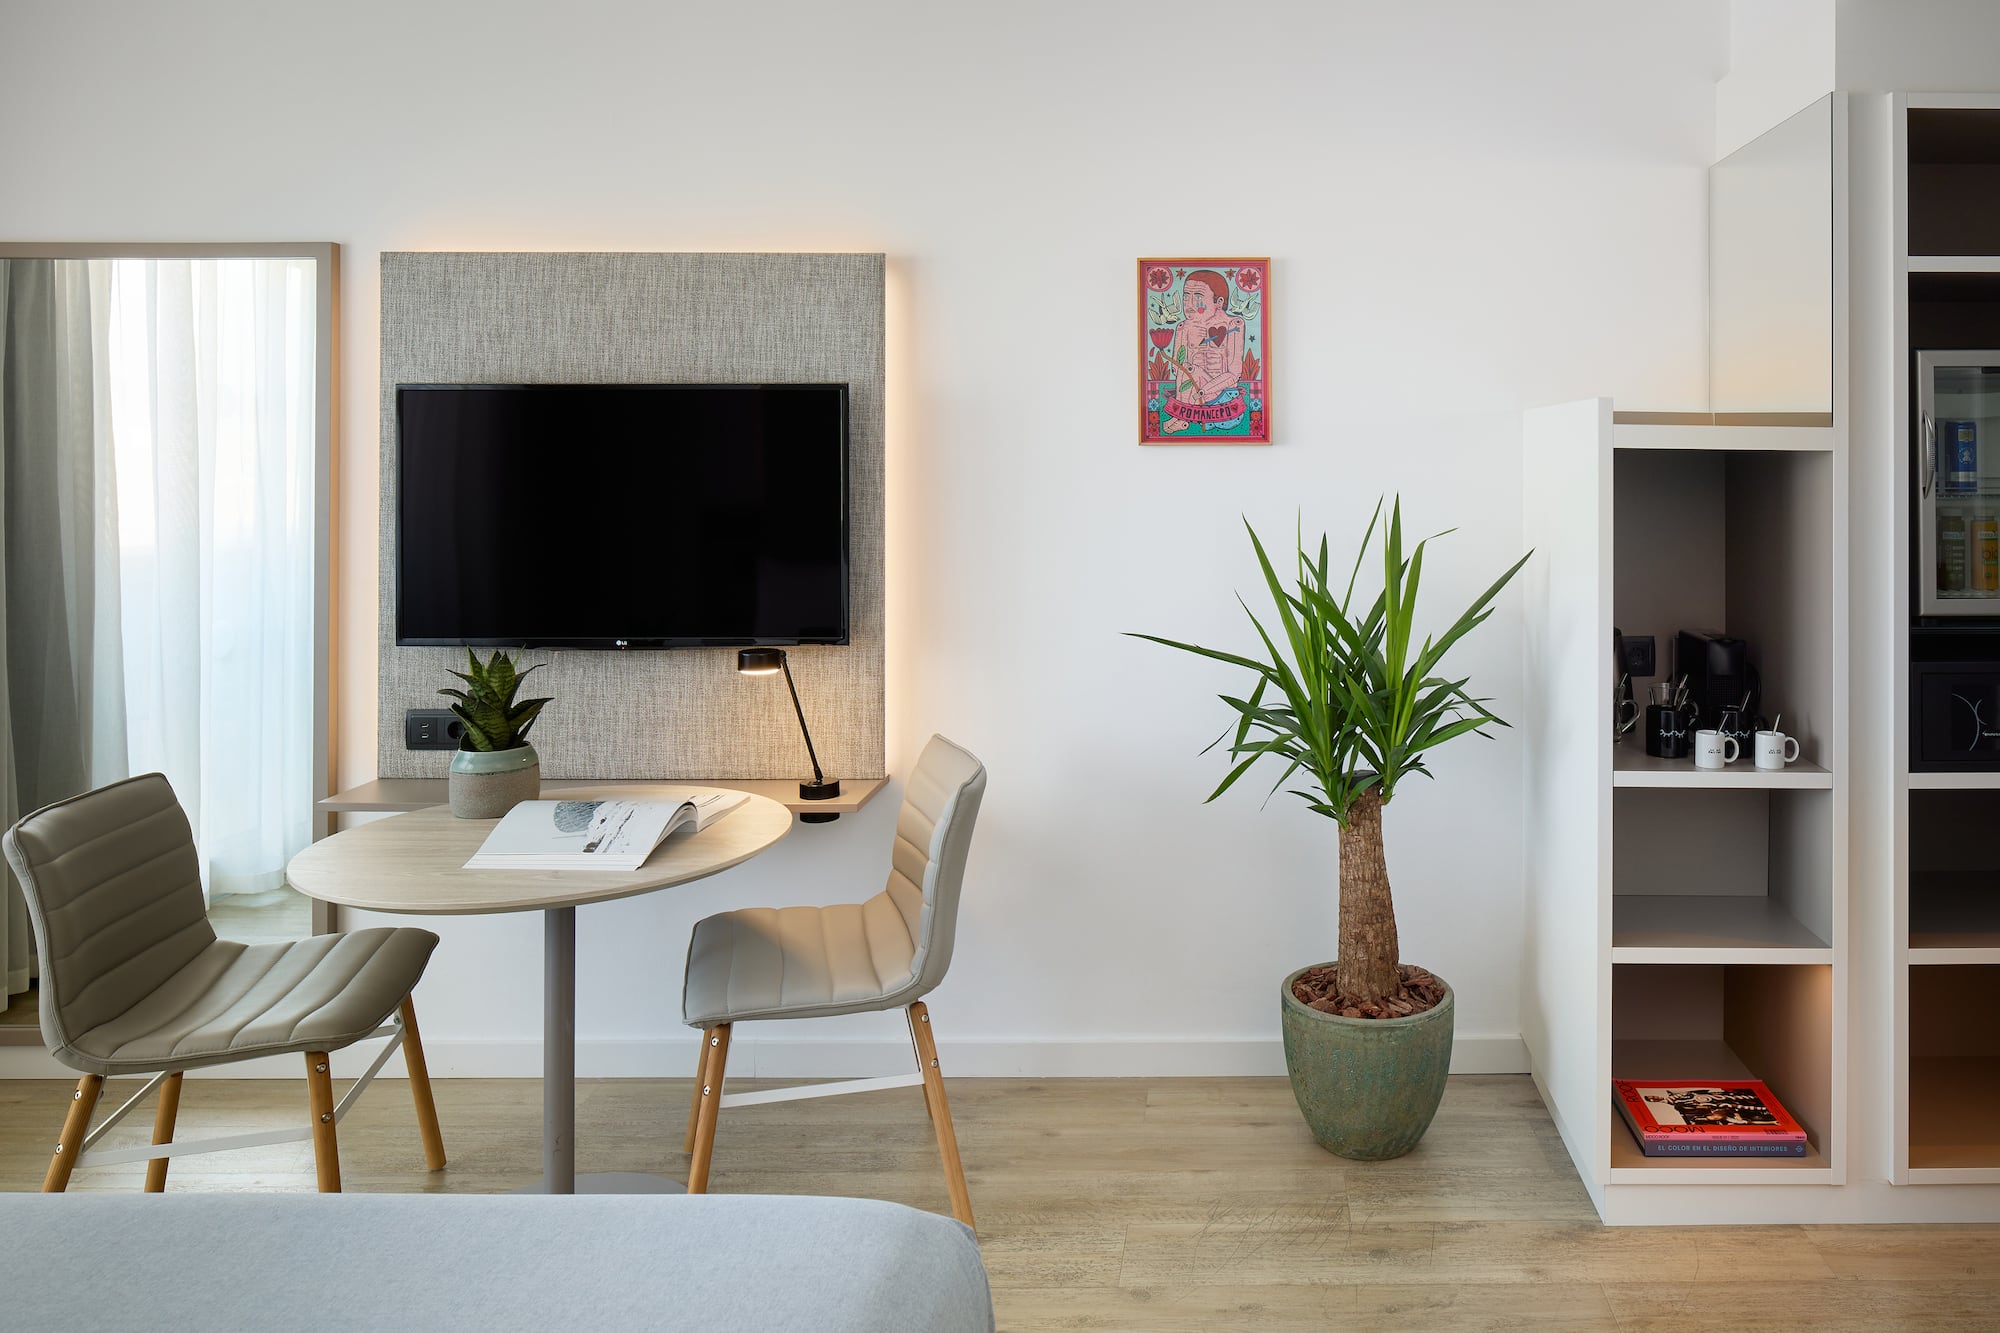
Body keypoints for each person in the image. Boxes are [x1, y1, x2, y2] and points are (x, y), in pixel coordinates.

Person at [1160, 269, 1245, 435]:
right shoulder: (1183, 328)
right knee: (1188, 368)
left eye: (1198, 298)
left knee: (1191, 369)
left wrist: (1204, 390)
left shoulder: (1234, 325)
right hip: (1191, 394)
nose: (1189, 304)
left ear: (1218, 302)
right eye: (1186, 297)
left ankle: (1181, 418)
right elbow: (1177, 368)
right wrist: (1192, 345)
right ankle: (1182, 418)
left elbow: (1234, 374)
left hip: (1221, 396)